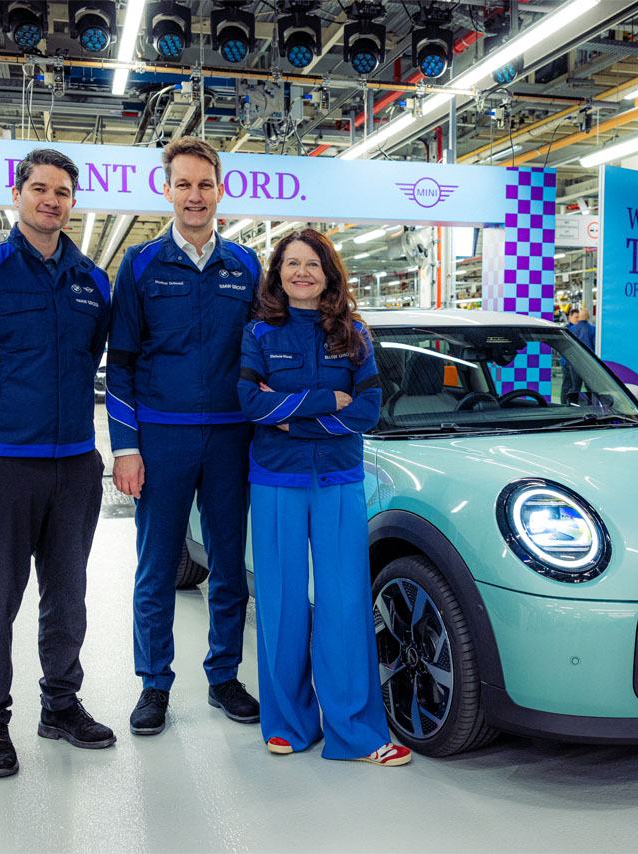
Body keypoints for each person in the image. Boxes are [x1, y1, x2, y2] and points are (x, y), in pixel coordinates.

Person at [0, 148, 115, 779]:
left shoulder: (93, 281)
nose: (51, 200)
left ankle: (60, 706)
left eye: (62, 192)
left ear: (73, 202)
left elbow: (89, 358)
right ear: (18, 194)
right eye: (40, 188)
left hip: (74, 464)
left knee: (67, 594)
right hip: (3, 465)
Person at [237, 229, 411, 767]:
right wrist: (325, 400)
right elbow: (250, 403)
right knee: (281, 602)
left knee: (345, 603)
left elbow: (366, 410)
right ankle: (289, 722)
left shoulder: (354, 335)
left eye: (312, 264)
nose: (302, 273)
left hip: (338, 479)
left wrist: (292, 417)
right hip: (276, 480)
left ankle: (355, 732)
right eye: (291, 264)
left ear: (329, 273)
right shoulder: (259, 333)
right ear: (277, 274)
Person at [106, 137, 262, 735]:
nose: (194, 195)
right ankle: (154, 684)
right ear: (167, 189)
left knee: (229, 567)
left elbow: (264, 352)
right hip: (162, 439)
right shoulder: (140, 264)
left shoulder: (246, 266)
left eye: (204, 185)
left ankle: (224, 677)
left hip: (230, 440)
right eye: (184, 184)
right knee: (156, 567)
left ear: (221, 190)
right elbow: (121, 363)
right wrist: (126, 447)